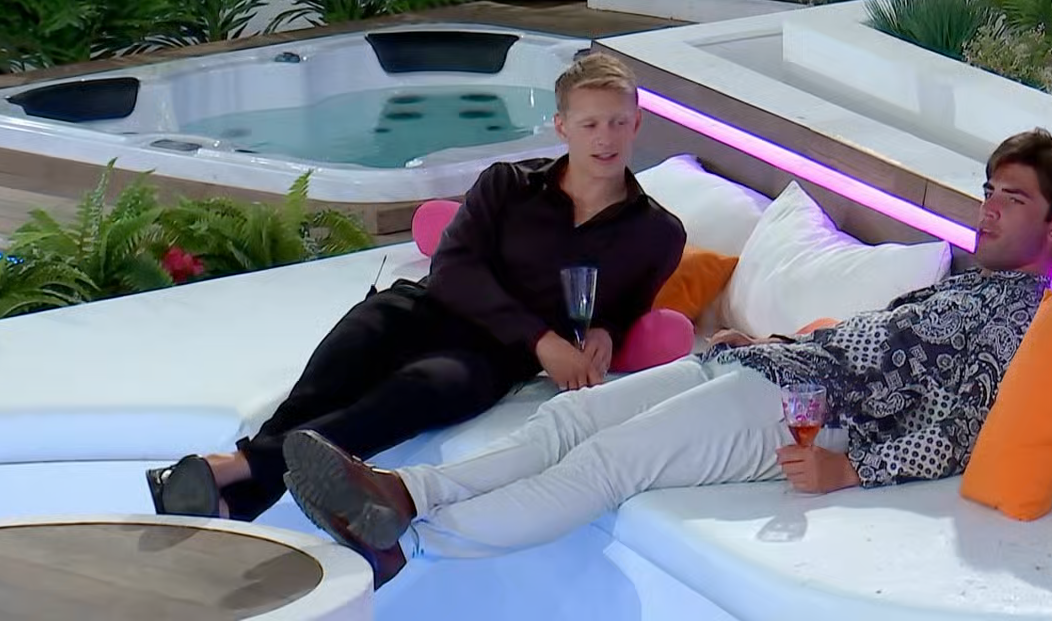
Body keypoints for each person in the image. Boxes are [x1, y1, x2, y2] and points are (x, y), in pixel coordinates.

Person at [280, 129, 1052, 588]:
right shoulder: (962, 283)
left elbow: (962, 430)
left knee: (608, 462)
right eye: (989, 191)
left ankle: (411, 546)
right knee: (569, 417)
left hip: (808, 413)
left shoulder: (1025, 318)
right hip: (772, 368)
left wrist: (850, 469)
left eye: (1013, 199)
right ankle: (404, 492)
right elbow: (872, 345)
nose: (989, 210)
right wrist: (770, 343)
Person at [144, 53, 686, 521]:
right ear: (562, 127)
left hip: (491, 357)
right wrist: (543, 338)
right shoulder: (508, 184)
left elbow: (629, 306)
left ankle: (228, 474)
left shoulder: (659, 234)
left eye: (618, 122)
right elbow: (453, 270)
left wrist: (606, 332)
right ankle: (234, 500)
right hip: (421, 309)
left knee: (408, 396)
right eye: (590, 124)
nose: (605, 138)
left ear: (637, 123)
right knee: (328, 380)